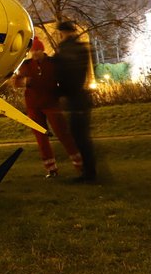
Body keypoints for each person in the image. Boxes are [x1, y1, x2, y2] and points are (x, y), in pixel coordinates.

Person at [13, 37, 84, 178]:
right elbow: (16, 82)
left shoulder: (53, 64)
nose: (34, 54)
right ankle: (51, 169)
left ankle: (80, 164)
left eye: (37, 50)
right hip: (33, 106)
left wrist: (63, 92)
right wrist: (24, 81)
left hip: (51, 103)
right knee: (41, 137)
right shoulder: (26, 65)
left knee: (63, 133)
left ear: (42, 50)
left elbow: (62, 80)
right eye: (32, 51)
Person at [52, 21, 98, 183]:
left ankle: (89, 173)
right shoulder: (83, 48)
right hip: (82, 97)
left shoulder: (64, 50)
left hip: (74, 98)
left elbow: (61, 73)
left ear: (63, 32)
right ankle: (89, 171)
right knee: (82, 136)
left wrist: (58, 91)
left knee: (79, 137)